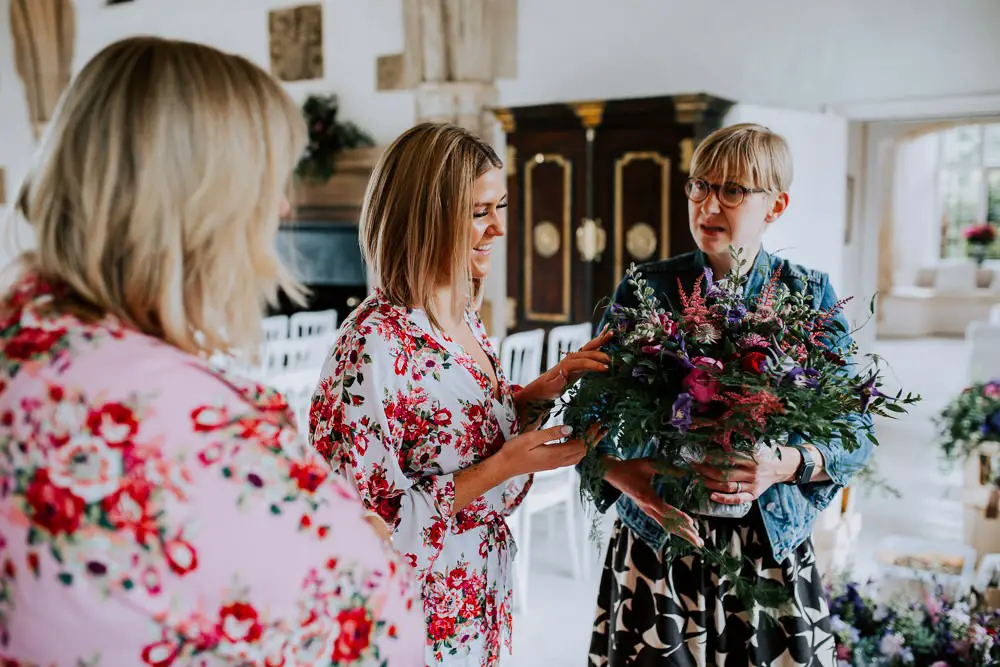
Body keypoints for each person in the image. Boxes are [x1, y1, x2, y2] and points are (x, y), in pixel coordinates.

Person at [0, 36, 423, 665]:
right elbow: (376, 636)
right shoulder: (184, 424)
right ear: (203, 207)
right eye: (268, 182)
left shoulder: (26, 339)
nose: (282, 207)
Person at [309, 121, 610, 666]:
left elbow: (452, 433)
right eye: (478, 213)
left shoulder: (462, 317)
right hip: (415, 621)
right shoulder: (372, 346)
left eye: (501, 208)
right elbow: (364, 529)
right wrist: (502, 469)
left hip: (478, 599)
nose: (497, 229)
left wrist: (534, 397)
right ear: (425, 218)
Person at [586, 123, 874, 666]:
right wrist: (630, 478)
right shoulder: (647, 290)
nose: (708, 204)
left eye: (733, 190)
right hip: (660, 541)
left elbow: (857, 432)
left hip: (768, 553)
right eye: (700, 186)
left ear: (776, 204)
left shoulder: (809, 296)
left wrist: (783, 463)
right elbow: (585, 419)